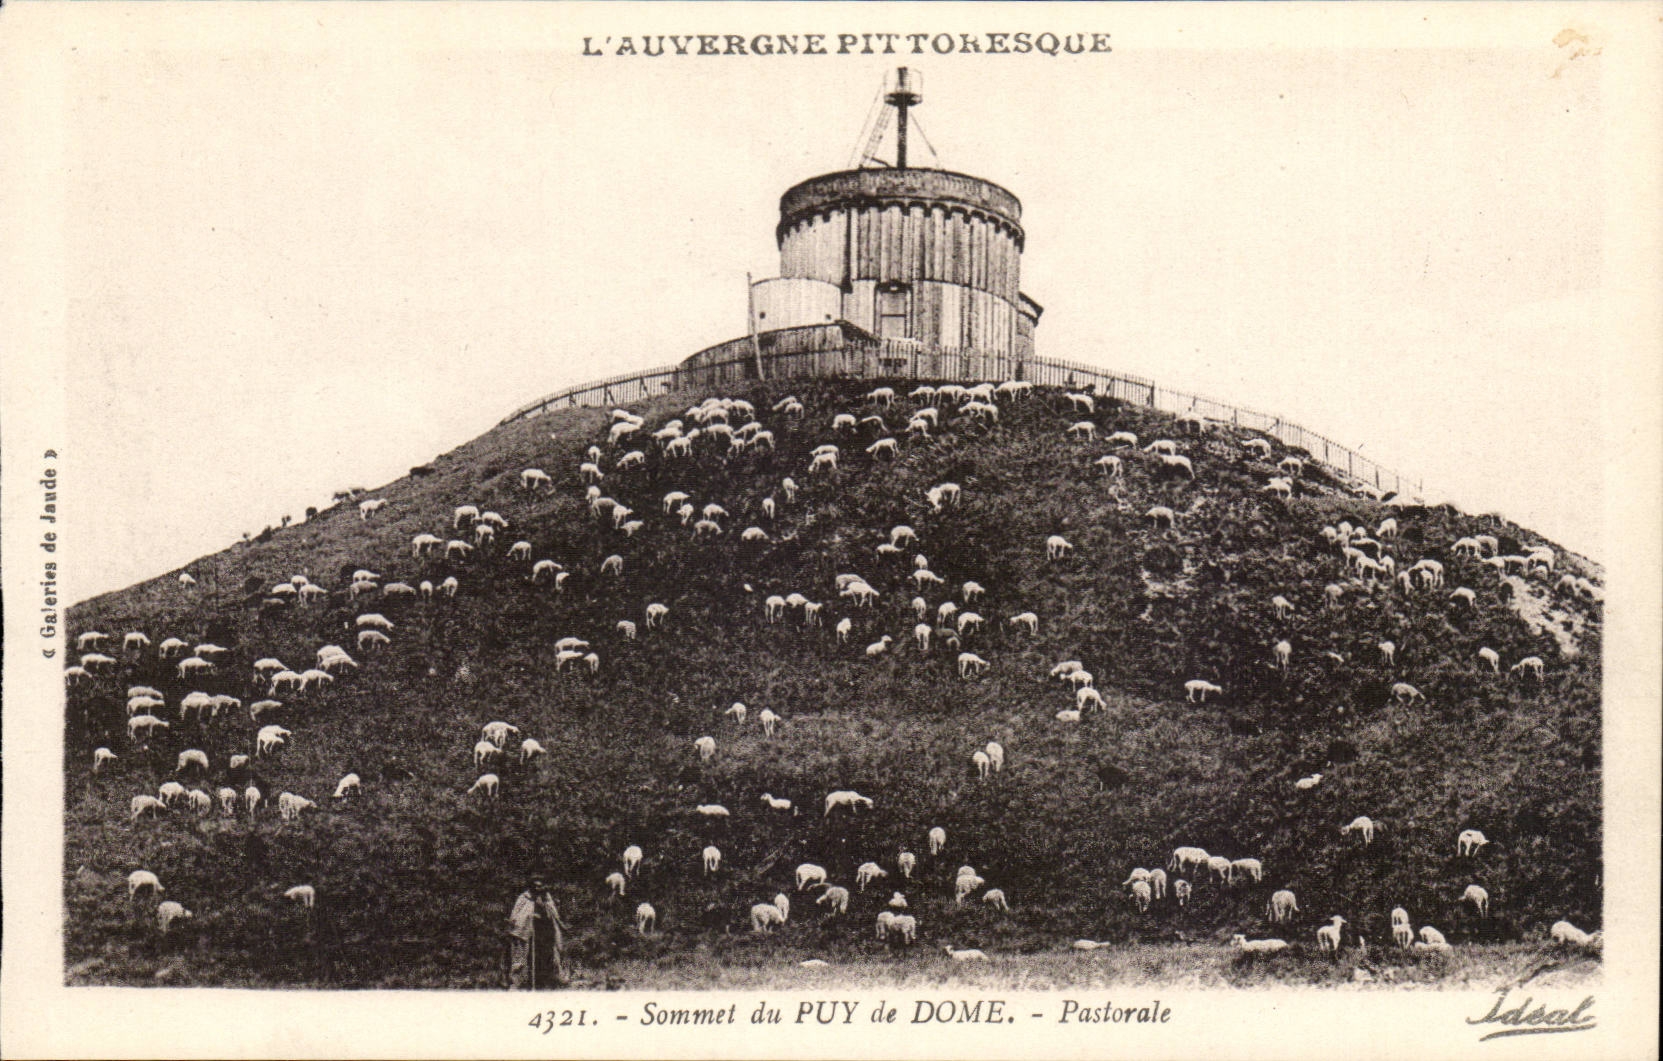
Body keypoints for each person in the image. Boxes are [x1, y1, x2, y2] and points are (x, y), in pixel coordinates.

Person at [507, 877, 567, 988]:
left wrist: (543, 916)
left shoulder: (546, 898)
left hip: (543, 933)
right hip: (526, 934)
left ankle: (548, 981)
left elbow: (553, 915)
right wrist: (530, 916)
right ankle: (519, 983)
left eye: (540, 886)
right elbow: (515, 916)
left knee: (547, 957)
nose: (538, 888)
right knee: (522, 957)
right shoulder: (524, 898)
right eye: (536, 886)